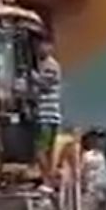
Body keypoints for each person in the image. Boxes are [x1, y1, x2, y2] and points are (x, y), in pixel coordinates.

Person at [33, 43, 62, 172]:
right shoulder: (42, 64)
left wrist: (31, 75)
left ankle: (48, 179)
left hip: (48, 115)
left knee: (41, 149)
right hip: (48, 114)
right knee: (47, 149)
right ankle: (48, 178)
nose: (39, 50)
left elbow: (45, 84)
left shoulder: (50, 65)